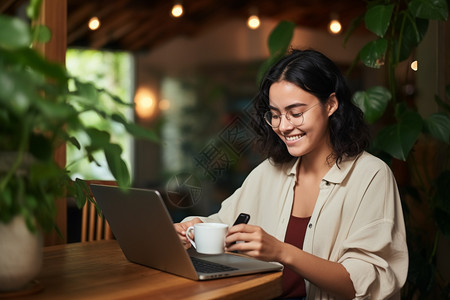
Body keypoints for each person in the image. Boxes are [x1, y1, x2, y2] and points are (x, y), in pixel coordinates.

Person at [174, 49, 408, 299]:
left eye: (296, 113)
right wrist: (196, 227)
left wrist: (282, 252)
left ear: (331, 104)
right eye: (275, 115)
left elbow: (367, 283)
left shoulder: (371, 175)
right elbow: (227, 223)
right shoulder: (268, 171)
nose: (283, 126)